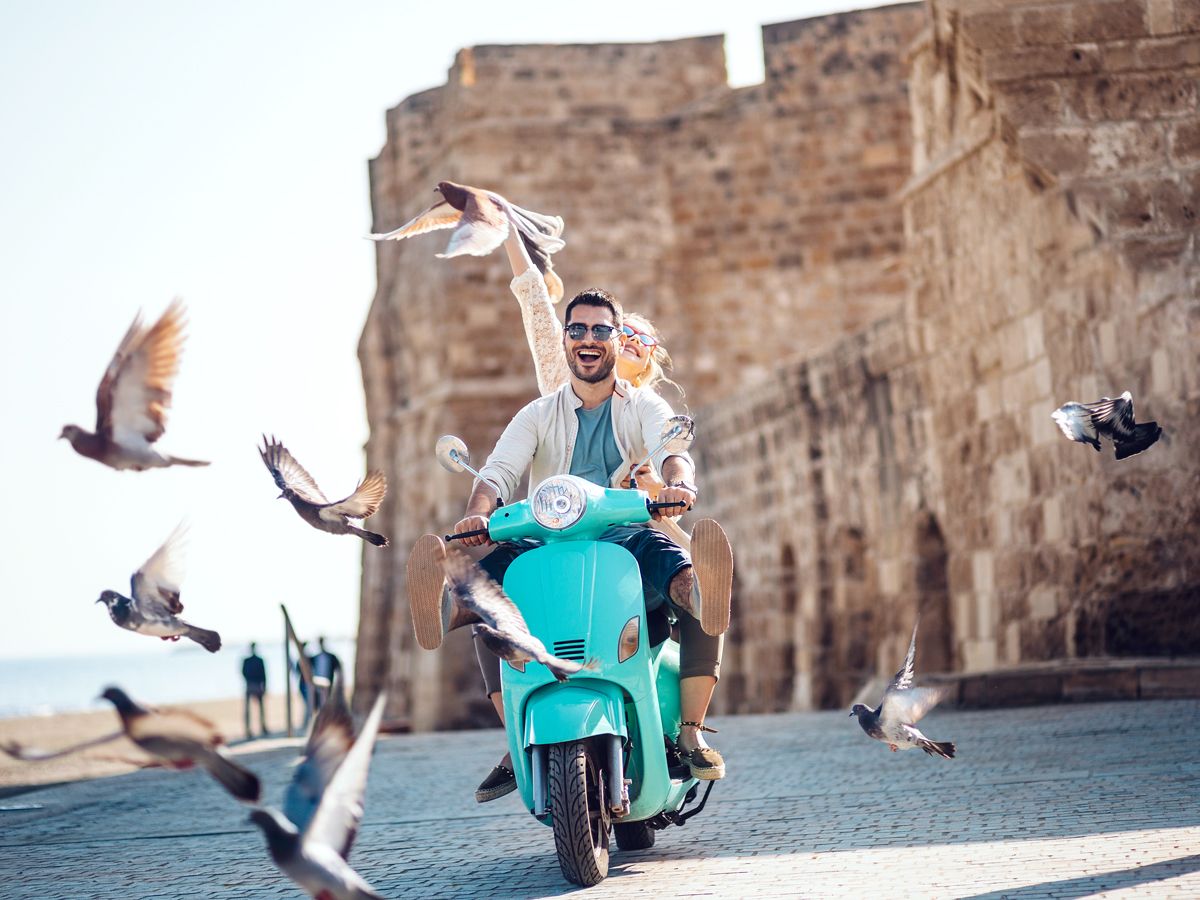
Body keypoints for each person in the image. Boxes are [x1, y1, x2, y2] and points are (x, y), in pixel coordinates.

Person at [410, 254, 734, 804]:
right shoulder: (537, 413)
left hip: (623, 532)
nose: (588, 339)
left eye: (601, 330)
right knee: (487, 599)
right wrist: (478, 511)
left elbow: (672, 448)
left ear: (614, 340)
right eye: (577, 329)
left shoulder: (644, 406)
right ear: (565, 341)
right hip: (545, 536)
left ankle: (691, 730)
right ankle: (455, 621)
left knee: (692, 586)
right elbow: (498, 470)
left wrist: (677, 484)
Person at [241, 642, 268, 739]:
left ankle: (262, 727)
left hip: (254, 684)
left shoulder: (257, 660)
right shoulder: (249, 660)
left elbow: (264, 674)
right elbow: (243, 672)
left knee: (259, 708)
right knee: (250, 709)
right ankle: (249, 729)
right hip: (252, 684)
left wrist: (264, 685)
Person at [310, 637, 343, 711]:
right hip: (317, 684)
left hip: (328, 684)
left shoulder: (331, 657)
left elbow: (339, 669)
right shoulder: (315, 657)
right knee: (317, 705)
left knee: (327, 704)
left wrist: (339, 683)